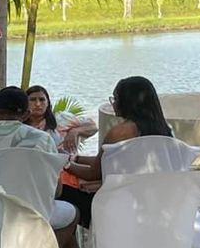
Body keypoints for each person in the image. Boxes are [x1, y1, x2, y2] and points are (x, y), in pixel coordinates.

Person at [0, 87, 82, 248]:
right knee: (72, 212)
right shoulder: (42, 140)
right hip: (29, 215)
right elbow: (56, 190)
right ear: (27, 114)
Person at [64, 76, 175, 207]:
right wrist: (76, 159)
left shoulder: (120, 132)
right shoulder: (166, 130)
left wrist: (64, 163)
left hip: (121, 204)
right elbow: (108, 161)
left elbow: (93, 174)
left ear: (127, 102)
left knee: (62, 191)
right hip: (155, 198)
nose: (113, 103)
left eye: (115, 98)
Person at [26, 85, 95, 155]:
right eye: (32, 100)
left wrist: (75, 131)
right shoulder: (20, 126)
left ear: (48, 103)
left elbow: (93, 127)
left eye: (42, 100)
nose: (37, 104)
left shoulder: (62, 119)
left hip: (67, 163)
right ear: (25, 103)